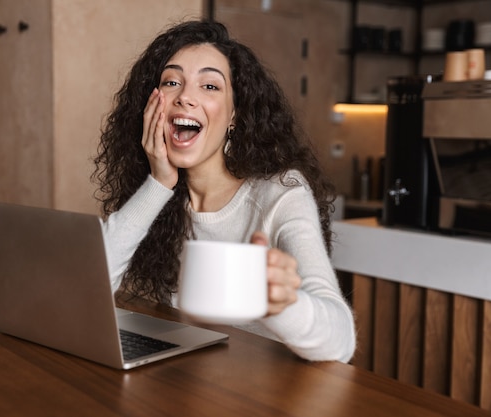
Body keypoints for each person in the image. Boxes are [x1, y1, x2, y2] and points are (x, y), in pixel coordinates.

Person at [93, 20, 356, 363]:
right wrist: (158, 184)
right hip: (185, 382)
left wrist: (281, 304)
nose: (186, 96)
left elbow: (340, 341)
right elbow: (91, 287)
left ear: (234, 115)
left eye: (210, 86)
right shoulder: (164, 198)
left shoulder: (281, 194)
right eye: (172, 82)